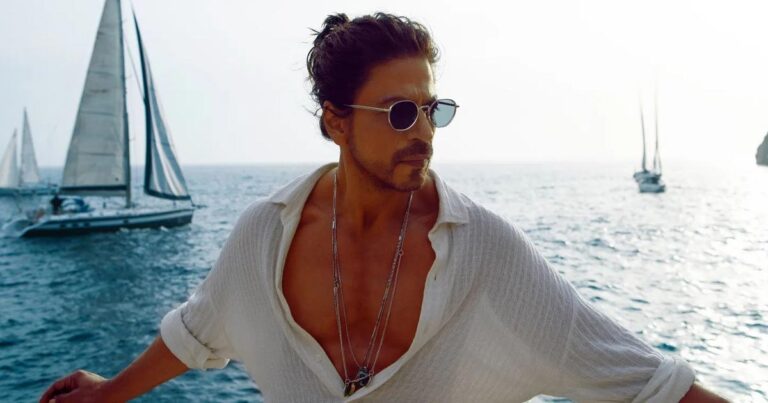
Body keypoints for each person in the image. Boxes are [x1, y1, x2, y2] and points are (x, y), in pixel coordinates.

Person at [41, 12, 729, 403]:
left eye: (432, 109)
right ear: (335, 122)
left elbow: (646, 379)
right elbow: (198, 328)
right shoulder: (264, 237)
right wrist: (109, 393)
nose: (423, 131)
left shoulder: (484, 252)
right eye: (401, 112)